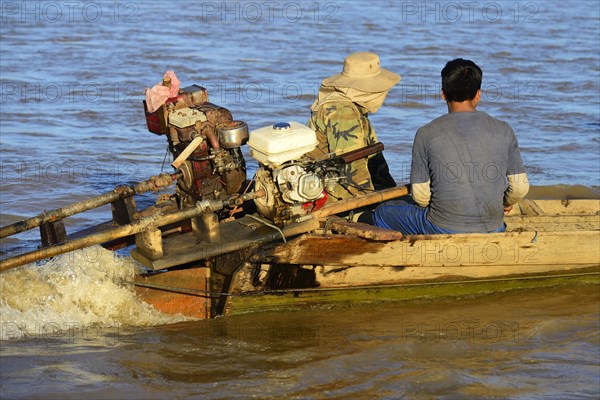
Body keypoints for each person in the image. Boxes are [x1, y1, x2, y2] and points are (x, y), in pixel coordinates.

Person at [369, 58, 529, 234]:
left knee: (382, 212)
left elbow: (421, 196)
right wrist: (504, 203)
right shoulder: (504, 130)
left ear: (443, 94)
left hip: (441, 227)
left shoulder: (426, 132)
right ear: (478, 94)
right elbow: (520, 188)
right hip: (494, 227)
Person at [307, 52, 400, 200]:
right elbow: (353, 171)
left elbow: (373, 159)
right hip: (327, 192)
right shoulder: (343, 112)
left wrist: (392, 193)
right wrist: (371, 204)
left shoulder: (351, 104)